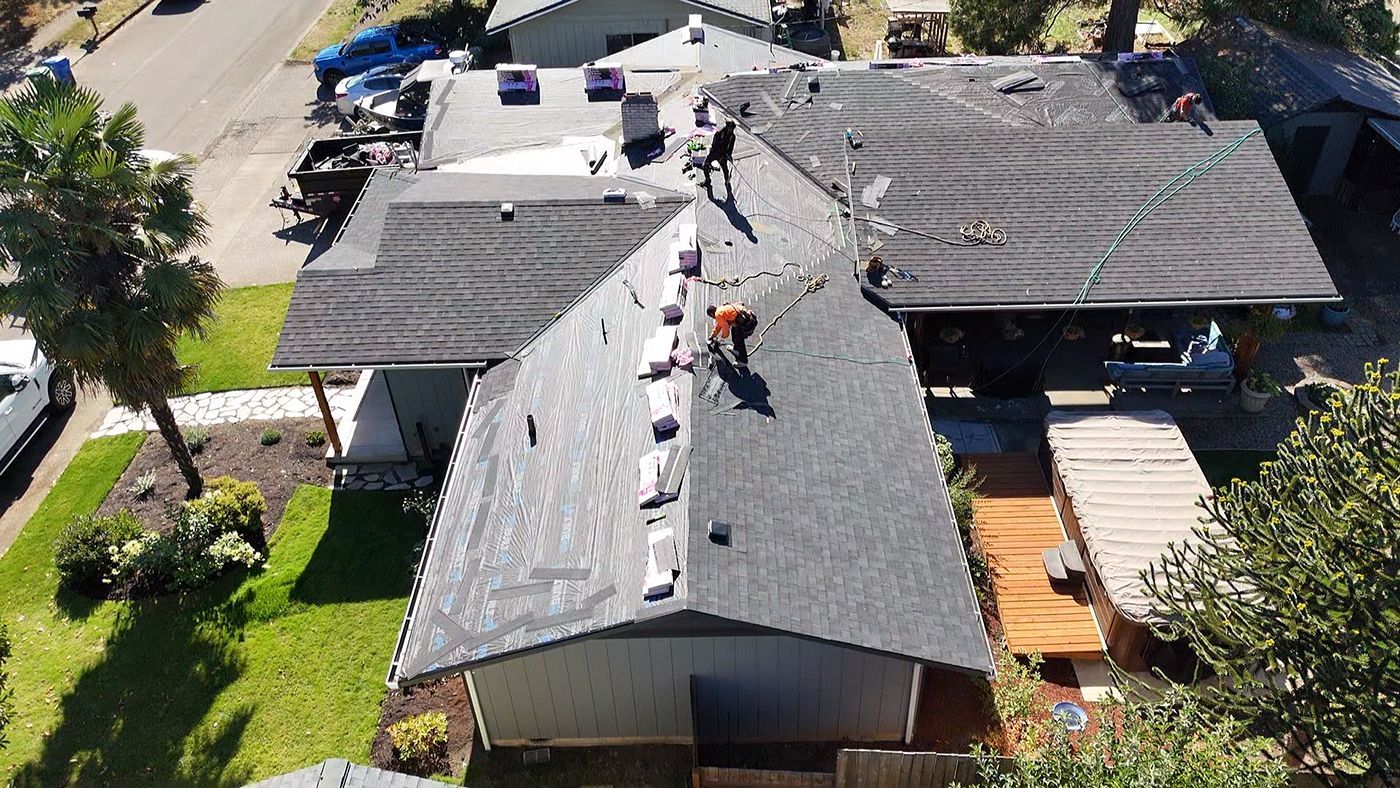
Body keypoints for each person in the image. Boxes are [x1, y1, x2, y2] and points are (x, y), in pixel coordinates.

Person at [701, 120, 737, 189]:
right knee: (705, 165)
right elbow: (714, 145)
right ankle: (707, 180)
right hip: (714, 153)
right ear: (727, 127)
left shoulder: (732, 137)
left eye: (732, 128)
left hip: (723, 155)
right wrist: (720, 155)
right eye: (730, 128)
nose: (731, 130)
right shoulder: (719, 134)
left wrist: (728, 155)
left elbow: (730, 148)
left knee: (725, 170)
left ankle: (727, 181)